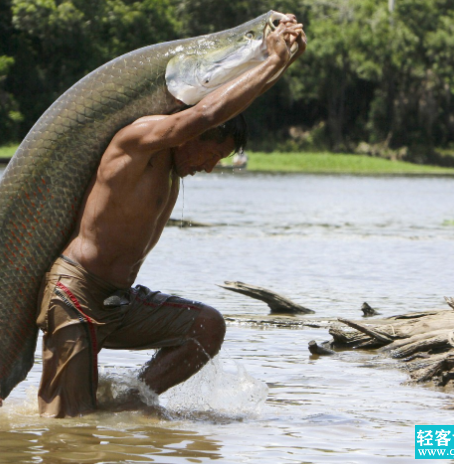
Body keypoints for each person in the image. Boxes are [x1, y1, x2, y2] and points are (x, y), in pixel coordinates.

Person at [36, 17, 307, 418]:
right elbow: (201, 115)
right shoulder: (139, 141)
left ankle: (131, 400)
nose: (210, 168)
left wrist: (283, 60)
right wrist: (270, 61)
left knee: (206, 326)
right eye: (212, 155)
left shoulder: (171, 173)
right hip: (76, 296)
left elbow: (212, 110)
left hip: (119, 301)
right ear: (193, 136)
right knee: (65, 430)